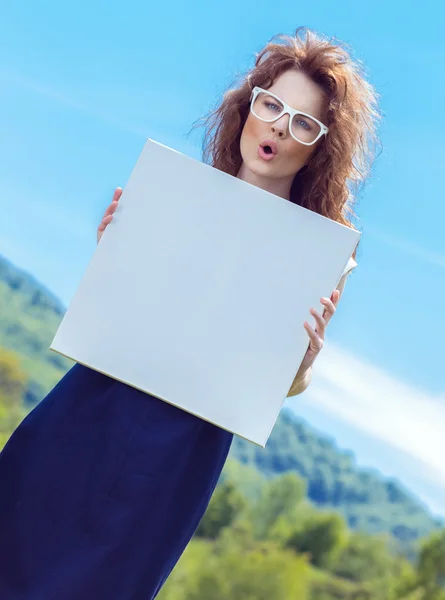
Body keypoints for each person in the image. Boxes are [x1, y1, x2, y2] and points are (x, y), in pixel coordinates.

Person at [0, 27, 379, 600]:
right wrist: (113, 253)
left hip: (180, 452)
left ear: (319, 145)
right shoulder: (172, 196)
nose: (279, 125)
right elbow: (115, 312)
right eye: (271, 104)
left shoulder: (322, 256)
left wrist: (303, 361)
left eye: (303, 122)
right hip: (92, 404)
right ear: (249, 105)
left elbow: (285, 385)